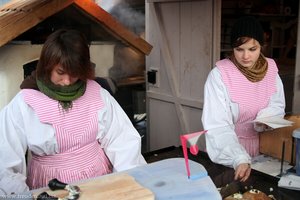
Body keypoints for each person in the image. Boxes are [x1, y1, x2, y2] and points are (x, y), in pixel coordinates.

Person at [0, 29, 146, 194]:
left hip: (99, 181)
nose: (68, 81)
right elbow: (5, 160)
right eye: (60, 72)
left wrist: (126, 183)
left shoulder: (97, 93)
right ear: (47, 66)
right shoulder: (25, 102)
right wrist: (19, 195)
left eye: (75, 73)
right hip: (51, 187)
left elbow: (123, 140)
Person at [201, 16, 285, 187]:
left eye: (252, 49)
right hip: (228, 150)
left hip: (264, 151)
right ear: (232, 48)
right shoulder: (220, 75)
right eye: (239, 49)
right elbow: (217, 125)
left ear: (262, 46)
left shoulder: (270, 70)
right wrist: (238, 158)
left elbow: (277, 104)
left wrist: (265, 120)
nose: (246, 56)